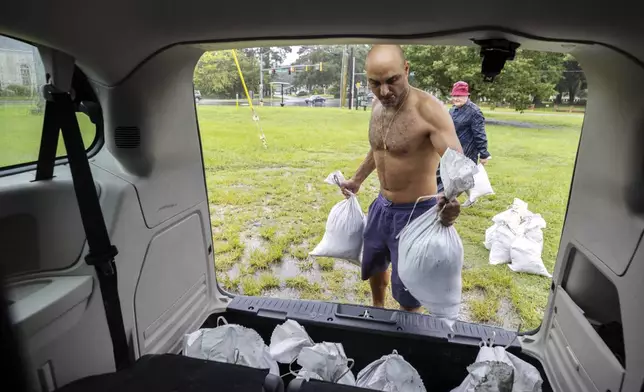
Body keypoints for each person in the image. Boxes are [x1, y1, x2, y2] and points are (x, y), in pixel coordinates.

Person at [339, 45, 463, 312]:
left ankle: (408, 328)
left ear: (406, 69)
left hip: (416, 213)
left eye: (392, 80)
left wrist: (451, 201)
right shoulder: (377, 105)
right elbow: (380, 147)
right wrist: (357, 180)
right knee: (374, 263)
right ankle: (377, 309)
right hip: (382, 206)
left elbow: (459, 165)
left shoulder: (429, 110)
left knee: (409, 287)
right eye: (375, 83)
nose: (384, 91)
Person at [449, 81, 491, 165]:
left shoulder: (474, 112)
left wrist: (483, 154)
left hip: (467, 155)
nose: (456, 98)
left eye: (459, 96)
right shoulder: (452, 110)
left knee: (465, 178)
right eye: (454, 95)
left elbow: (480, 134)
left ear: (467, 96)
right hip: (451, 153)